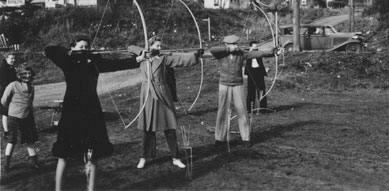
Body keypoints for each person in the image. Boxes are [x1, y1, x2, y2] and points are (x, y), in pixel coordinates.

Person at [44, 35, 141, 191]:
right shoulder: (67, 61)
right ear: (73, 48)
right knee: (64, 154)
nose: (85, 50)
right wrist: (74, 53)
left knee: (93, 155)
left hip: (91, 110)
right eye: (81, 47)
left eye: (87, 47)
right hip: (72, 110)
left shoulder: (94, 62)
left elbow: (116, 64)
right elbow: (49, 50)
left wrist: (138, 59)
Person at [129, 36, 203, 169]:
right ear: (149, 45)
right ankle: (143, 157)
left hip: (162, 93)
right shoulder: (142, 57)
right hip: (147, 94)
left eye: (160, 46)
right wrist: (142, 53)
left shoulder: (164, 58)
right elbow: (130, 47)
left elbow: (180, 58)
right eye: (157, 46)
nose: (160, 48)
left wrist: (195, 56)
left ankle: (176, 157)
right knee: (148, 128)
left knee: (169, 127)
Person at [210, 35, 278, 148]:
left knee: (242, 110)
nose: (236, 46)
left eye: (236, 44)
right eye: (233, 44)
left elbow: (256, 54)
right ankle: (219, 139)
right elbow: (213, 50)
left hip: (238, 85)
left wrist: (272, 52)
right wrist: (228, 50)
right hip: (224, 85)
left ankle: (246, 138)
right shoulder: (220, 53)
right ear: (227, 44)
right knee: (222, 111)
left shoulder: (241, 53)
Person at [1, 64, 39, 172]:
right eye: (24, 74)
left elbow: (30, 101)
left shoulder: (32, 87)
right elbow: (4, 100)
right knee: (12, 140)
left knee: (30, 140)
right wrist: (13, 108)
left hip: (27, 116)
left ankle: (34, 163)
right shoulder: (13, 85)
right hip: (15, 117)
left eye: (29, 73)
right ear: (19, 75)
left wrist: (29, 112)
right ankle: (6, 164)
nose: (27, 75)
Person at [244, 41, 268, 114]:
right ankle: (250, 109)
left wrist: (275, 52)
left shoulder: (259, 53)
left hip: (259, 72)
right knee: (251, 91)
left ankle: (263, 109)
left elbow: (266, 54)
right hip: (251, 72)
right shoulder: (247, 53)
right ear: (251, 47)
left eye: (257, 47)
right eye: (254, 47)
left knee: (261, 91)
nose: (256, 49)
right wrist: (250, 51)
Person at [0, 52, 17, 139]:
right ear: (6, 59)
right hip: (5, 93)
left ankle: (14, 130)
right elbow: (4, 83)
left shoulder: (11, 68)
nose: (13, 60)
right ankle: (6, 132)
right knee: (5, 113)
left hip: (12, 92)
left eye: (14, 58)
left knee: (13, 111)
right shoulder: (4, 69)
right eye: (11, 58)